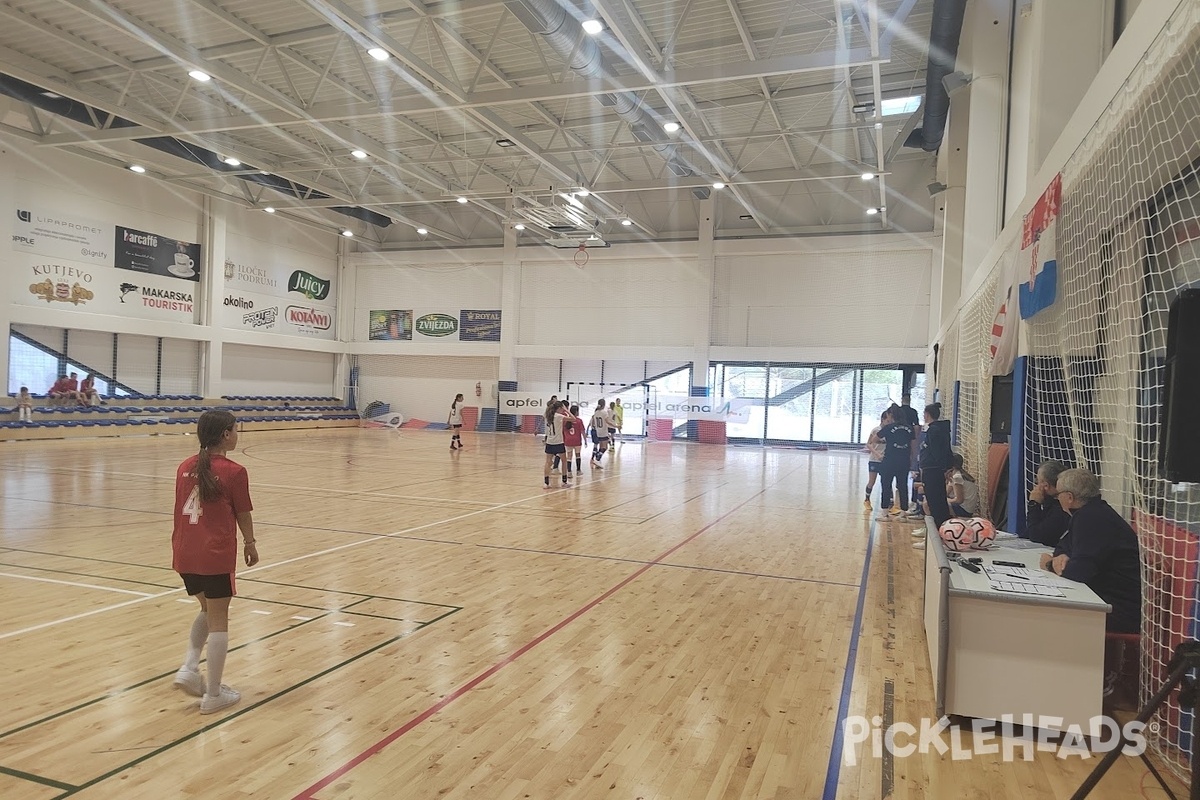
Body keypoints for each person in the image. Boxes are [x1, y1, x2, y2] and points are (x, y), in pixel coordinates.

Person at [171, 410, 257, 714]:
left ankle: (189, 668)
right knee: (219, 619)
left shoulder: (184, 467)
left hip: (183, 554)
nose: (237, 434)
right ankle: (214, 694)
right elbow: (243, 513)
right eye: (235, 430)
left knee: (207, 609)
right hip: (214, 554)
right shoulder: (234, 471)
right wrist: (250, 542)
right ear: (225, 434)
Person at [1039, 468, 1141, 634]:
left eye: (1058, 495)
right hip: (1108, 598)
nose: (1057, 500)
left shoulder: (1091, 519)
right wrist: (1062, 559)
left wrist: (1050, 564)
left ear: (1069, 497)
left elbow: (1080, 571)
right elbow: (1062, 548)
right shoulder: (1091, 513)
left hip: (1119, 609)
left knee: (1048, 615)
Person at [875, 409, 914, 521]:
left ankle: (885, 514)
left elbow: (874, 439)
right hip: (904, 461)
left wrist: (886, 442)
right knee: (902, 486)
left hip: (890, 460)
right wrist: (911, 459)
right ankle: (903, 514)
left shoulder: (889, 427)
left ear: (892, 416)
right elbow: (913, 446)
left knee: (886, 485)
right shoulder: (909, 428)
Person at [919, 402, 954, 526]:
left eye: (924, 413)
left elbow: (937, 452)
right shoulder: (941, 429)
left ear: (927, 414)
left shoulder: (934, 431)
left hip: (933, 471)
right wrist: (949, 467)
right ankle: (942, 529)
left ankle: (939, 531)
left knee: (934, 502)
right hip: (936, 470)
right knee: (937, 501)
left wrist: (945, 468)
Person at [1024, 460, 1070, 546]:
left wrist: (1034, 504)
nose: (1036, 486)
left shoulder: (1061, 508)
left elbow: (1036, 535)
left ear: (1046, 486)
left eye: (1037, 482)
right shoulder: (1050, 502)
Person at [542, 401, 573, 488]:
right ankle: (564, 481)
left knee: (548, 462)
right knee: (564, 461)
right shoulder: (559, 416)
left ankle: (546, 483)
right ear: (559, 408)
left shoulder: (548, 415)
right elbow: (573, 418)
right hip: (558, 442)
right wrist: (567, 410)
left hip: (549, 442)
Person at [863, 411, 887, 510]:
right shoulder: (876, 430)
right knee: (872, 481)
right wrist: (876, 453)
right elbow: (868, 444)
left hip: (885, 460)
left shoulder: (890, 431)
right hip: (874, 459)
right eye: (888, 420)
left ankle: (889, 504)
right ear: (883, 419)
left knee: (886, 481)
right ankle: (867, 500)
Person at [563, 403, 586, 482]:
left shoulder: (566, 420)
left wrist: (564, 439)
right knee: (577, 455)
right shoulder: (579, 421)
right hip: (577, 440)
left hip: (568, 441)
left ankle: (569, 472)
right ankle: (578, 470)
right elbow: (583, 431)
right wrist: (585, 440)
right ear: (576, 412)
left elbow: (563, 431)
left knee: (569, 456)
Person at [590, 399, 611, 468]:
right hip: (603, 431)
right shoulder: (604, 413)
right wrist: (616, 425)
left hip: (597, 431)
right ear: (604, 404)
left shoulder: (596, 412)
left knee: (600, 446)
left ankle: (597, 459)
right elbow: (607, 421)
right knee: (605, 447)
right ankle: (597, 458)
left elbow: (593, 422)